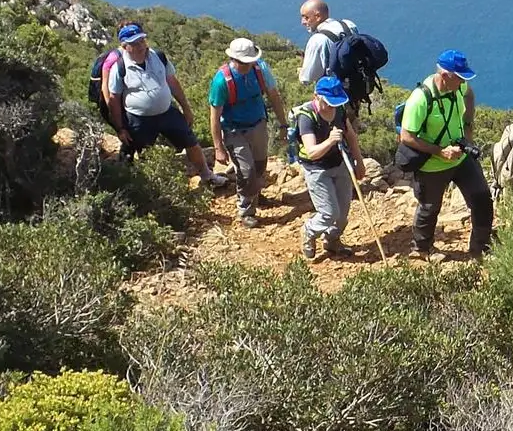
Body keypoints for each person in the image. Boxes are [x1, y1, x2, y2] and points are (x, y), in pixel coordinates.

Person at [106, 22, 227, 188]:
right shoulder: (119, 68)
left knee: (190, 141)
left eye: (142, 41)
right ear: (124, 46)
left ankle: (207, 175)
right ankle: (134, 186)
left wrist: (186, 108)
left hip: (167, 112)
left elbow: (173, 83)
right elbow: (114, 99)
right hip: (139, 119)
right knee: (136, 151)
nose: (141, 46)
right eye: (135, 43)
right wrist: (120, 128)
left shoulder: (159, 57)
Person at [398, 49, 493, 261]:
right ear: (445, 75)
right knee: (430, 207)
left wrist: (468, 127)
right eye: (459, 77)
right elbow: (406, 136)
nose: (463, 82)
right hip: (433, 164)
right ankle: (421, 249)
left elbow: (469, 94)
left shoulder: (458, 87)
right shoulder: (420, 98)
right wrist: (440, 151)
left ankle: (481, 248)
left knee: (482, 198)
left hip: (460, 157)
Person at [208, 37, 289, 227]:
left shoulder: (260, 69)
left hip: (258, 123)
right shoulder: (221, 81)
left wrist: (283, 124)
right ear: (234, 59)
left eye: (250, 61)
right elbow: (214, 115)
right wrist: (218, 147)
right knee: (246, 170)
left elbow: (274, 96)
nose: (248, 65)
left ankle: (255, 195)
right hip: (234, 129)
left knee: (260, 165)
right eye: (244, 62)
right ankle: (246, 211)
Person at [291, 75, 364, 261]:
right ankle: (309, 231)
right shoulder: (307, 117)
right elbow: (312, 152)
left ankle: (332, 240)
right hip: (317, 169)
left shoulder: (339, 110)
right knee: (329, 213)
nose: (332, 107)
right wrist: (330, 141)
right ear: (317, 96)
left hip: (339, 164)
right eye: (329, 102)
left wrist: (359, 161)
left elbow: (350, 136)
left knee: (342, 214)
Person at [297, 0, 356, 86]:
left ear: (318, 17)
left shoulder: (317, 40)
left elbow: (307, 78)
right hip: (358, 85)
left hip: (334, 91)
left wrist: (301, 72)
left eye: (306, 17)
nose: (303, 22)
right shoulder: (349, 25)